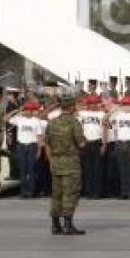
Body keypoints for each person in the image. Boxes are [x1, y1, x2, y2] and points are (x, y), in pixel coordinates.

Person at [44, 94, 86, 235]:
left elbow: (47, 145)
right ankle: (68, 224)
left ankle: (55, 225)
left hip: (56, 163)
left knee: (57, 194)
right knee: (70, 193)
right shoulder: (75, 123)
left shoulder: (52, 122)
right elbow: (81, 143)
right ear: (72, 107)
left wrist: (51, 162)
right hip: (71, 164)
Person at [8, 101, 46, 198]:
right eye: (26, 110)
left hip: (32, 145)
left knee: (31, 169)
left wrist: (39, 149)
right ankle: (24, 191)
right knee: (23, 169)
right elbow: (5, 119)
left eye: (30, 110)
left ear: (32, 111)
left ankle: (31, 191)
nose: (28, 112)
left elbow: (39, 136)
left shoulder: (36, 121)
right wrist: (15, 111)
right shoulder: (19, 119)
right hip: (21, 145)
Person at [77, 96, 107, 199]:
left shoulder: (102, 114)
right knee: (87, 168)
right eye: (91, 103)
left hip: (98, 141)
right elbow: (79, 128)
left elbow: (104, 129)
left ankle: (97, 192)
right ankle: (88, 191)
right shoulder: (82, 114)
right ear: (88, 104)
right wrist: (80, 140)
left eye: (95, 103)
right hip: (86, 142)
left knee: (97, 169)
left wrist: (104, 144)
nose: (93, 105)